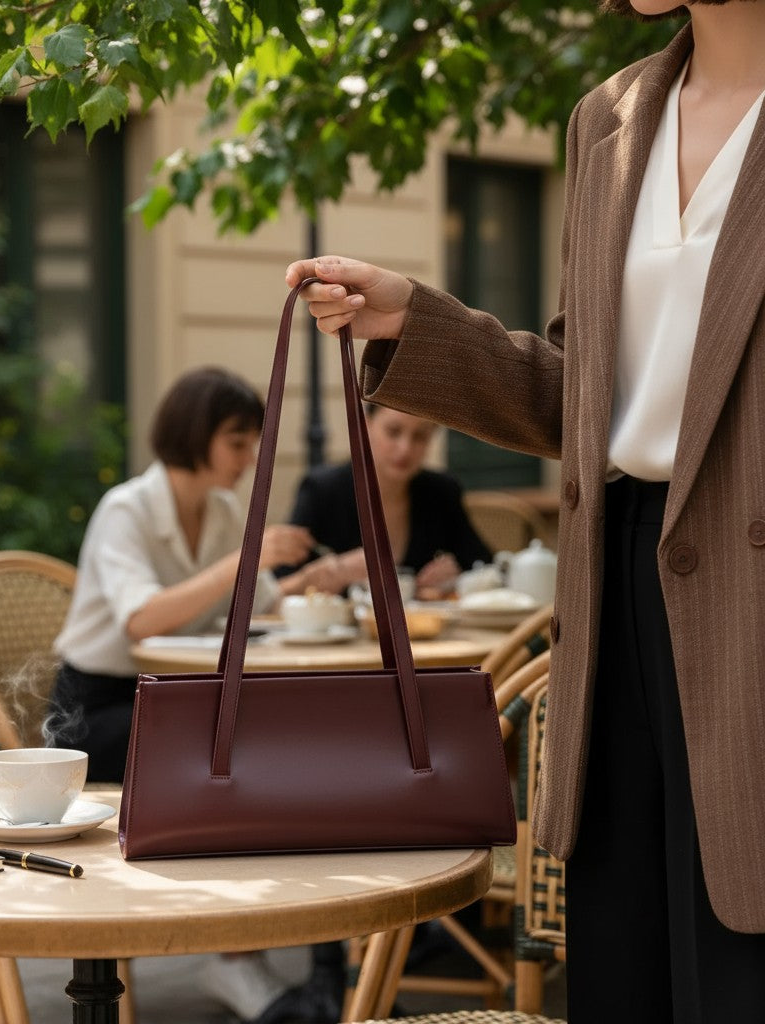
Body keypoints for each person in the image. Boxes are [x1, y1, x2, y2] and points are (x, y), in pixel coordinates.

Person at [282, 3, 765, 1020]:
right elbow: (580, 397)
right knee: (624, 958)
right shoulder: (611, 116)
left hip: (751, 593)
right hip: (613, 587)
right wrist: (413, 322)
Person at [47, 366, 334, 1023]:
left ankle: (258, 950)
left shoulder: (224, 511)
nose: (248, 458)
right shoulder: (127, 510)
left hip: (175, 701)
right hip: (92, 714)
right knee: (238, 759)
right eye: (237, 442)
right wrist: (244, 558)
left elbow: (256, 601)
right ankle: (235, 956)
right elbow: (142, 618)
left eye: (253, 442)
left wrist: (320, 575)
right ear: (195, 435)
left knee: (267, 744)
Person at [281, 403, 490, 598]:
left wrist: (458, 575)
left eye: (420, 436)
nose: (405, 448)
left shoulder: (441, 492)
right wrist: (334, 572)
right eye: (393, 432)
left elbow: (486, 565)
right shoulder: (321, 490)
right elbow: (277, 586)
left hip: (420, 625)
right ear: (366, 426)